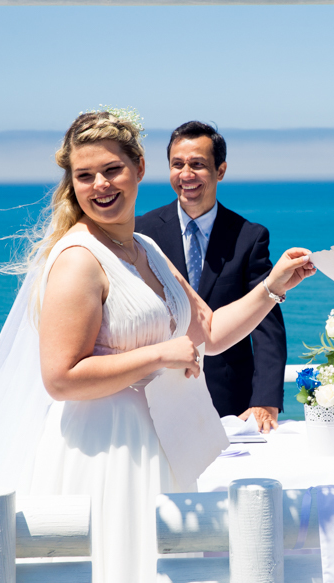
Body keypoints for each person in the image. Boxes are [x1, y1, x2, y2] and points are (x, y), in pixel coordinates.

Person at [0, 109, 314, 583]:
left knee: (164, 581)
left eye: (111, 170)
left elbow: (211, 333)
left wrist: (272, 287)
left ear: (138, 167)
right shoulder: (79, 261)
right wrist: (158, 355)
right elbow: (61, 377)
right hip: (105, 450)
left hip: (159, 443)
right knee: (118, 578)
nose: (100, 185)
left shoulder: (145, 247)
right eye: (84, 176)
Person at [135, 121, 287, 432]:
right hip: (153, 396)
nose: (186, 174)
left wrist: (266, 399)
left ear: (220, 170)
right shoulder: (141, 232)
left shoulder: (249, 237)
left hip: (230, 403)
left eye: (198, 165)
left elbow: (266, 324)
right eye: (177, 164)